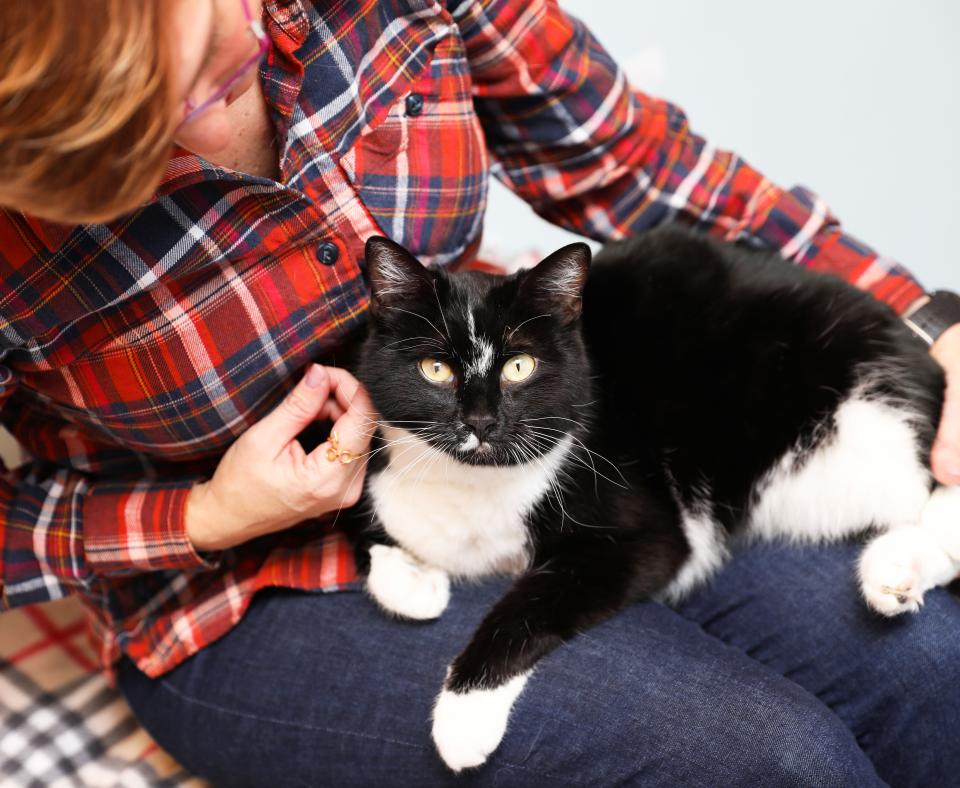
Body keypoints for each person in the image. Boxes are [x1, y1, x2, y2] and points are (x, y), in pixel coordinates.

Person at [2, 0, 959, 784]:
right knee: (759, 760)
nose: (250, 37)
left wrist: (930, 324)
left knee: (931, 667)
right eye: (192, 94)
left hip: (522, 452)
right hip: (233, 587)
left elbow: (634, 158)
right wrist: (201, 514)